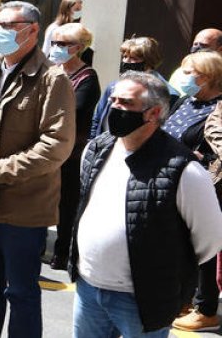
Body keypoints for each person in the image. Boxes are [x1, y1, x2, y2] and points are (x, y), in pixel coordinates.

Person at [0, 1, 74, 338]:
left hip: (22, 208)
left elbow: (55, 146)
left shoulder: (53, 79)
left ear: (33, 30)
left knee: (20, 293)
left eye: (8, 25)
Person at [71, 72, 222, 337]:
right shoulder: (96, 149)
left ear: (153, 113)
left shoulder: (183, 169)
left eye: (126, 103)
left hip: (141, 299)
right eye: (114, 100)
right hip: (89, 288)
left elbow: (209, 238)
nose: (115, 107)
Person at [161, 51, 222, 332]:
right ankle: (183, 297)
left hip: (204, 184)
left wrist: (200, 158)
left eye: (190, 72)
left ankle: (206, 308)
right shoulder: (187, 101)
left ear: (208, 77)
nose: (184, 77)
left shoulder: (218, 108)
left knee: (203, 245)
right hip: (173, 179)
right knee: (178, 243)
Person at [41, 23, 100, 272]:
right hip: (43, 146)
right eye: (55, 43)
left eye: (63, 44)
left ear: (78, 48)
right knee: (41, 198)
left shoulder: (87, 77)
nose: (56, 48)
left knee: (66, 204)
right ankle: (37, 243)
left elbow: (72, 110)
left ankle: (63, 250)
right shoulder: (50, 70)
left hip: (70, 151)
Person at [90, 36, 170, 138]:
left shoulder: (164, 92)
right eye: (124, 56)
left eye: (133, 58)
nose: (127, 61)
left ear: (148, 61)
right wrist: (93, 141)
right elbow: (98, 118)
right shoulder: (114, 87)